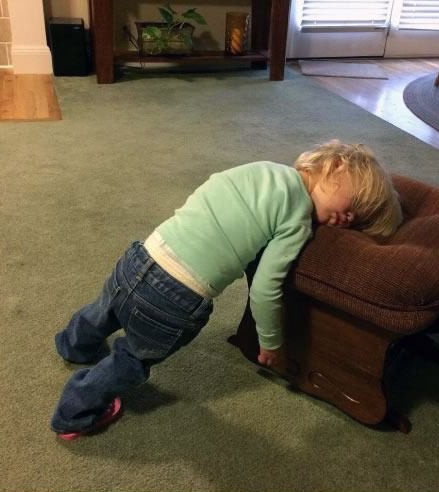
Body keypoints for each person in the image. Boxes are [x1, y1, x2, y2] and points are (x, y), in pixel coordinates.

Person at [50, 139, 403, 440]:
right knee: (132, 358)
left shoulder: (262, 169)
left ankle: (74, 344)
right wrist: (271, 342)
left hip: (144, 256)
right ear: (336, 165)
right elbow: (265, 289)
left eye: (356, 220)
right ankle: (75, 412)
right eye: (353, 205)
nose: (348, 219)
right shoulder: (297, 219)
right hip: (175, 299)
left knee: (106, 307)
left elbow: (211, 188)